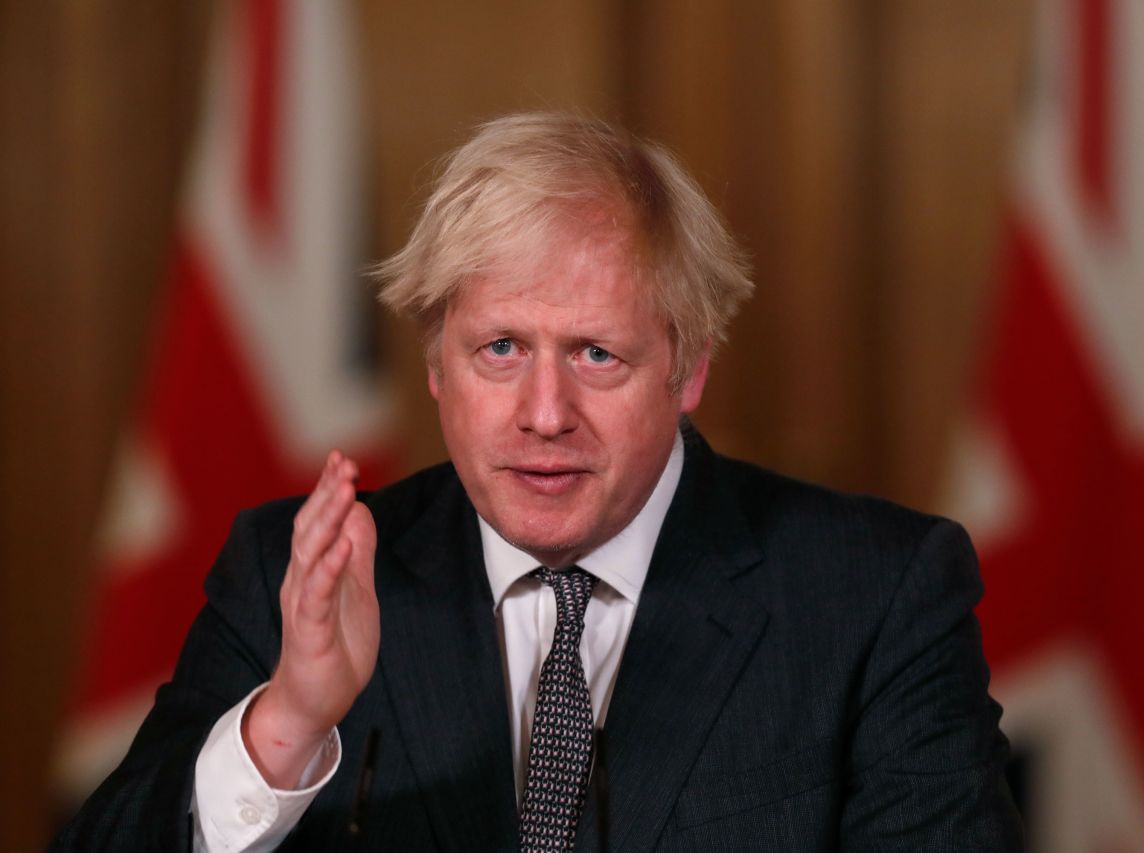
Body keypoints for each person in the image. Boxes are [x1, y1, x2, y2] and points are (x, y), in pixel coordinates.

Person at [55, 112, 1022, 851]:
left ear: (689, 369)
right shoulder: (294, 570)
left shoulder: (877, 592)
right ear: (437, 365)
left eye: (597, 353)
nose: (545, 411)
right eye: (501, 348)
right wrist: (290, 721)